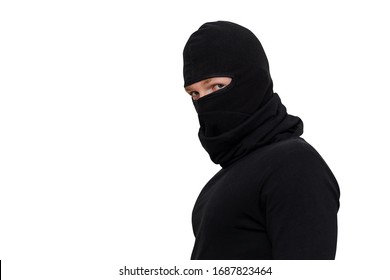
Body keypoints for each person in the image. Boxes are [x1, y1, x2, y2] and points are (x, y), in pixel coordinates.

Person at [182, 21, 340, 260]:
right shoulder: (229, 174)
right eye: (194, 93)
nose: (204, 101)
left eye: (216, 86)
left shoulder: (295, 164)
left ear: (252, 79)